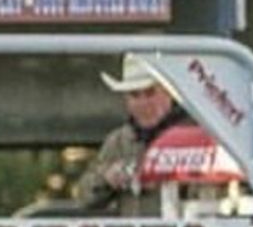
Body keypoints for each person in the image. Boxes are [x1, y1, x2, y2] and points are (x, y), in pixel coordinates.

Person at [75, 54, 189, 217]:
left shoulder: (194, 137)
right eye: (134, 95)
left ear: (169, 93)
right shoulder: (118, 142)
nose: (143, 103)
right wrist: (106, 179)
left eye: (150, 93)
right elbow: (83, 198)